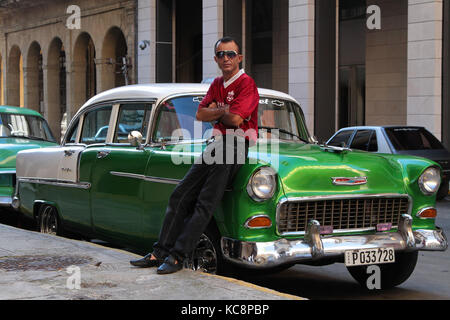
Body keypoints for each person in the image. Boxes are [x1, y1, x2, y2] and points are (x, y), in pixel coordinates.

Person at [130, 36, 259, 274]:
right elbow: (200, 114)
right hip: (216, 144)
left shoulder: (246, 84)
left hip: (236, 145)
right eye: (221, 54)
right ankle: (160, 252)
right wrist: (225, 111)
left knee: (204, 202)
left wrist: (217, 112)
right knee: (180, 195)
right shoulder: (217, 84)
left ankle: (178, 257)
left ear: (239, 58)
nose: (226, 58)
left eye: (231, 54)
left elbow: (236, 120)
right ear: (215, 59)